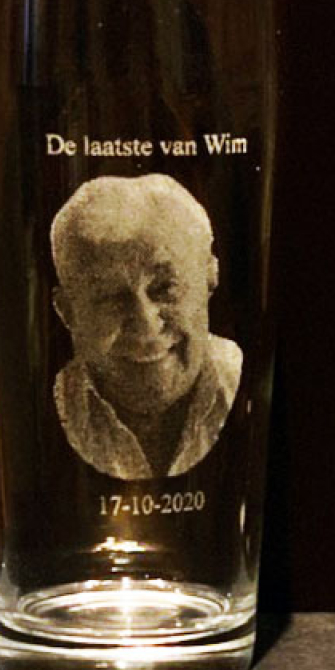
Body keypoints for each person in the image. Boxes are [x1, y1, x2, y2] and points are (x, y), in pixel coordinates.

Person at [51, 174, 242, 480]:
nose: (145, 324)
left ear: (210, 278)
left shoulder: (246, 388)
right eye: (110, 296)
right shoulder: (32, 416)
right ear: (67, 311)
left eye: (166, 287)